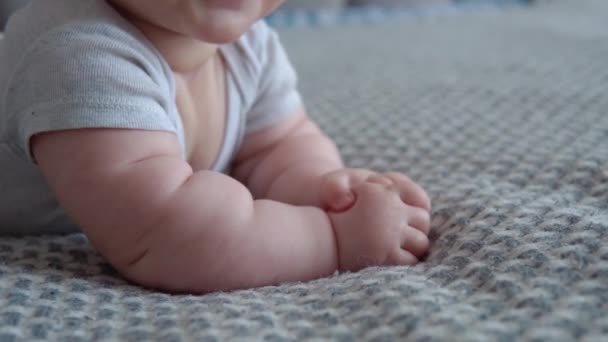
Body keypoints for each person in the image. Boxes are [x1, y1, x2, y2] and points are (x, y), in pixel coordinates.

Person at [0, 0, 431, 293]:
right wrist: (331, 237)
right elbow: (165, 236)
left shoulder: (249, 46)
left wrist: (326, 191)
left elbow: (279, 146)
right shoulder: (77, 53)